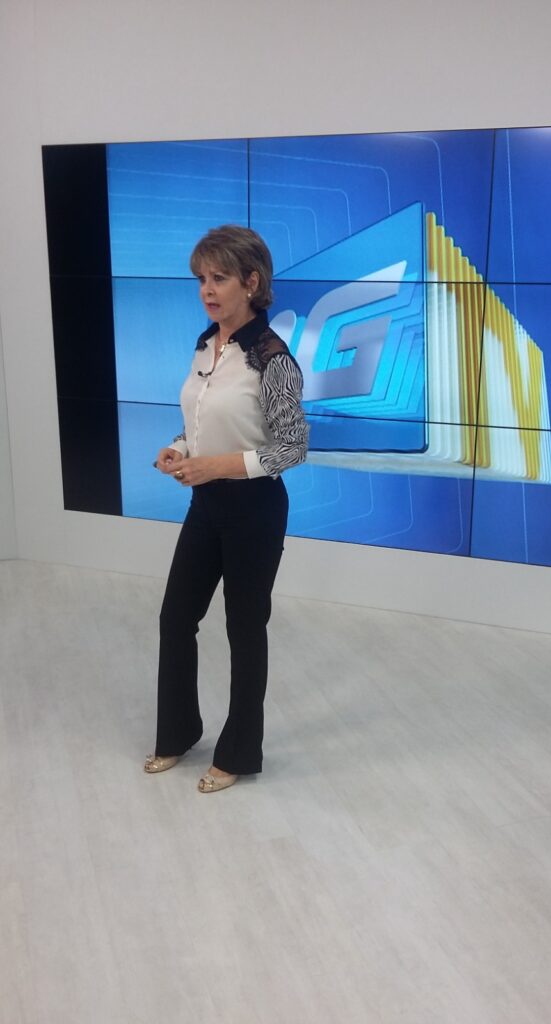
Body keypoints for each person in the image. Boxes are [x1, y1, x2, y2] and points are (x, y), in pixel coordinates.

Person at [144, 225, 309, 792]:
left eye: (219, 278)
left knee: (244, 628)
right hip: (206, 504)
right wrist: (181, 449)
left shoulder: (273, 359)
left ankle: (237, 754)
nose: (207, 290)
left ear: (251, 282)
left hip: (254, 511)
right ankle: (177, 733)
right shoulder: (204, 345)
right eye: (201, 279)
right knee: (175, 618)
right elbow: (203, 423)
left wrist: (214, 466)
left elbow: (292, 447)